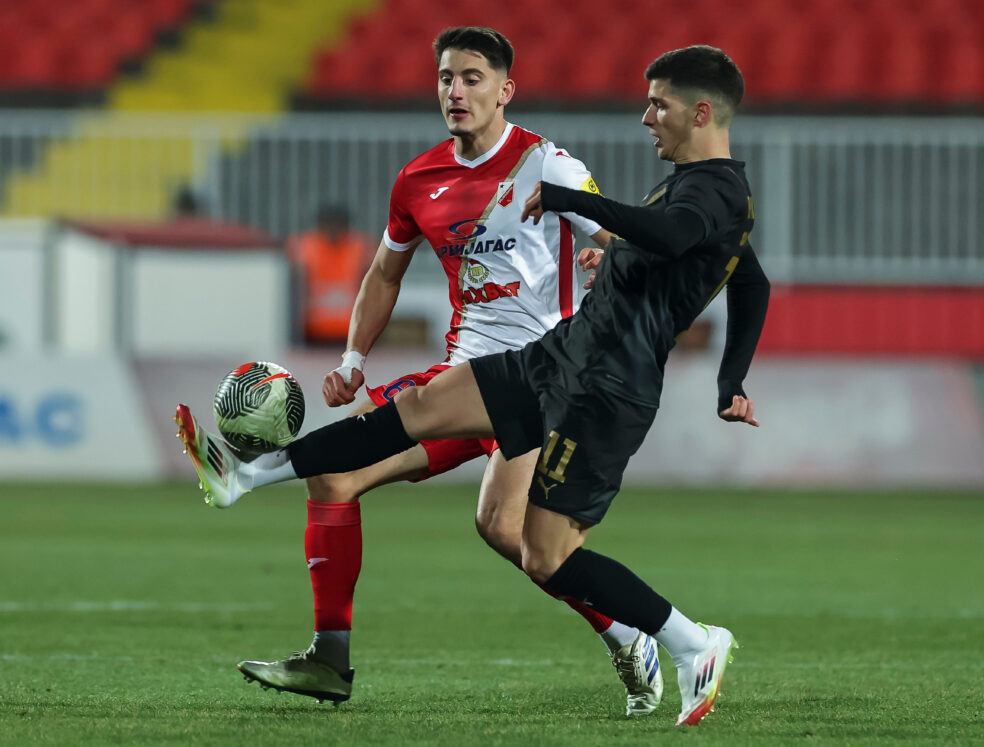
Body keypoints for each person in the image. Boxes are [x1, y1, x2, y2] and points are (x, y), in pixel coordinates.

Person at [178, 43, 769, 726]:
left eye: (657, 104)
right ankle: (247, 481)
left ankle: (681, 638)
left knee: (538, 549)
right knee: (419, 416)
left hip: (599, 382)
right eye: (445, 78)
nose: (645, 117)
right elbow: (741, 272)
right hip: (559, 358)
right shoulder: (691, 185)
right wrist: (732, 376)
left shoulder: (670, 184)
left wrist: (586, 215)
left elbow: (672, 237)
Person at [287, 203, 375, 345]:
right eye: (328, 224)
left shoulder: (362, 246)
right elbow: (296, 288)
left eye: (338, 225)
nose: (333, 230)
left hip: (352, 332)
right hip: (314, 330)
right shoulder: (305, 246)